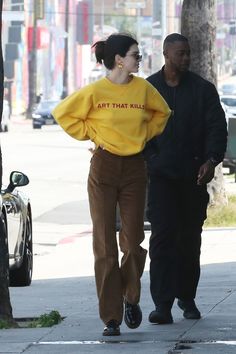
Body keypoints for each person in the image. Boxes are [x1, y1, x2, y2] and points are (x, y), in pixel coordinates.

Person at [52, 33, 171, 336]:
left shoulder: (143, 88)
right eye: (135, 54)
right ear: (119, 60)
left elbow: (163, 114)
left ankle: (131, 296)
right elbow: (63, 114)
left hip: (134, 168)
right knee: (104, 245)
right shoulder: (95, 91)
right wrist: (91, 133)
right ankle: (111, 317)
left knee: (132, 243)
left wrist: (144, 135)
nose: (139, 59)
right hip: (103, 167)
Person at [144, 33, 228, 324]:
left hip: (194, 177)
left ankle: (187, 297)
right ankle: (162, 304)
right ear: (166, 54)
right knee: (162, 239)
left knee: (190, 240)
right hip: (162, 179)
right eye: (180, 53)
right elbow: (138, 130)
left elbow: (217, 128)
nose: (186, 58)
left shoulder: (203, 90)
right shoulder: (148, 89)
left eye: (188, 53)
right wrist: (151, 160)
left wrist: (211, 160)